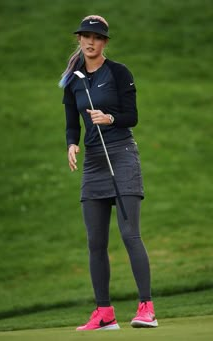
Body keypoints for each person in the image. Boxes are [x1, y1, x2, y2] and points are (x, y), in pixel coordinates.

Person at [59, 14, 158, 331]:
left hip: (122, 156)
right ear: (79, 40)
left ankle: (147, 309)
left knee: (130, 235)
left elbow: (132, 116)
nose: (90, 42)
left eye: (97, 37)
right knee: (95, 242)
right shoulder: (73, 80)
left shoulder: (119, 72)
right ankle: (104, 313)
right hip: (93, 163)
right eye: (85, 36)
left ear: (104, 42)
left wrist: (110, 118)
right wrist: (72, 144)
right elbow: (72, 123)